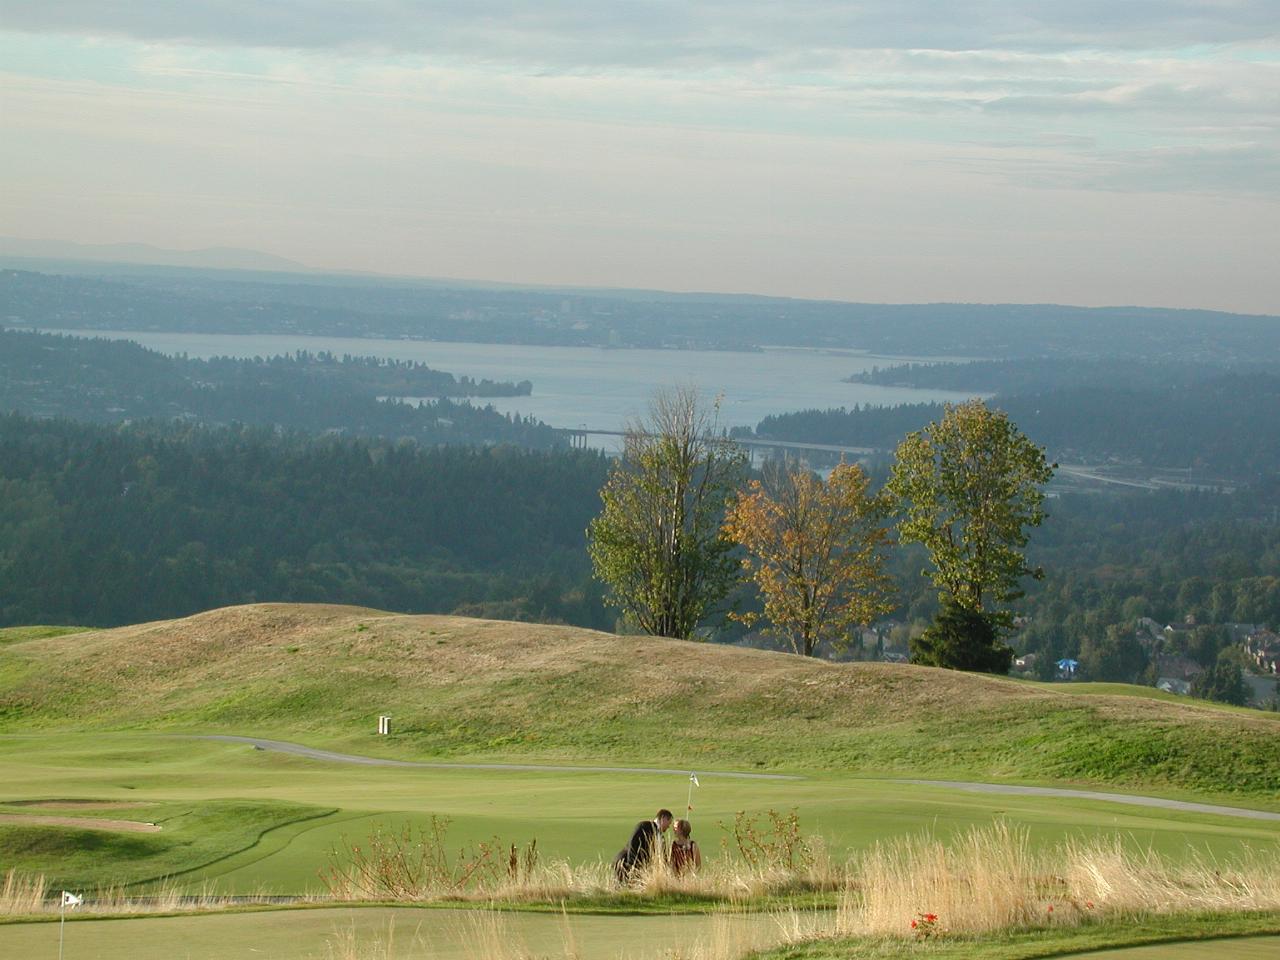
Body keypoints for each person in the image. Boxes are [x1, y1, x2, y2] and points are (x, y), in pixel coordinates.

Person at [613, 808, 673, 883]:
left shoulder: (660, 836)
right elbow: (633, 844)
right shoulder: (644, 826)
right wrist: (632, 867)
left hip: (640, 869)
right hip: (625, 863)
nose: (669, 826)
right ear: (663, 818)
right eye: (669, 823)